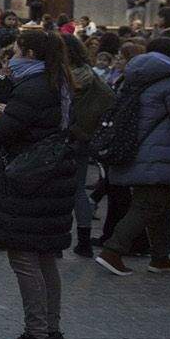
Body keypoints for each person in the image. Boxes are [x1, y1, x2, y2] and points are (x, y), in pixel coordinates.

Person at [0, 29, 79, 339]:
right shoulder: (56, 83)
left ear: (30, 53)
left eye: (15, 50)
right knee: (45, 258)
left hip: (30, 185)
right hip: (51, 181)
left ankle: (36, 336)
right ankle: (51, 331)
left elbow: (1, 135)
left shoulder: (32, 88)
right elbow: (31, 123)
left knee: (25, 260)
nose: (11, 56)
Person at [96, 38, 170, 276]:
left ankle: (161, 256)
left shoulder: (134, 77)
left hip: (134, 149)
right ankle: (112, 251)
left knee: (162, 205)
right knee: (148, 205)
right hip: (160, 154)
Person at [62, 33, 114, 259]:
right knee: (78, 191)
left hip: (64, 139)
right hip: (83, 141)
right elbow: (110, 99)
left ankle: (56, 240)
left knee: (55, 193)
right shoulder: (91, 76)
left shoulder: (64, 77)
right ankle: (84, 241)